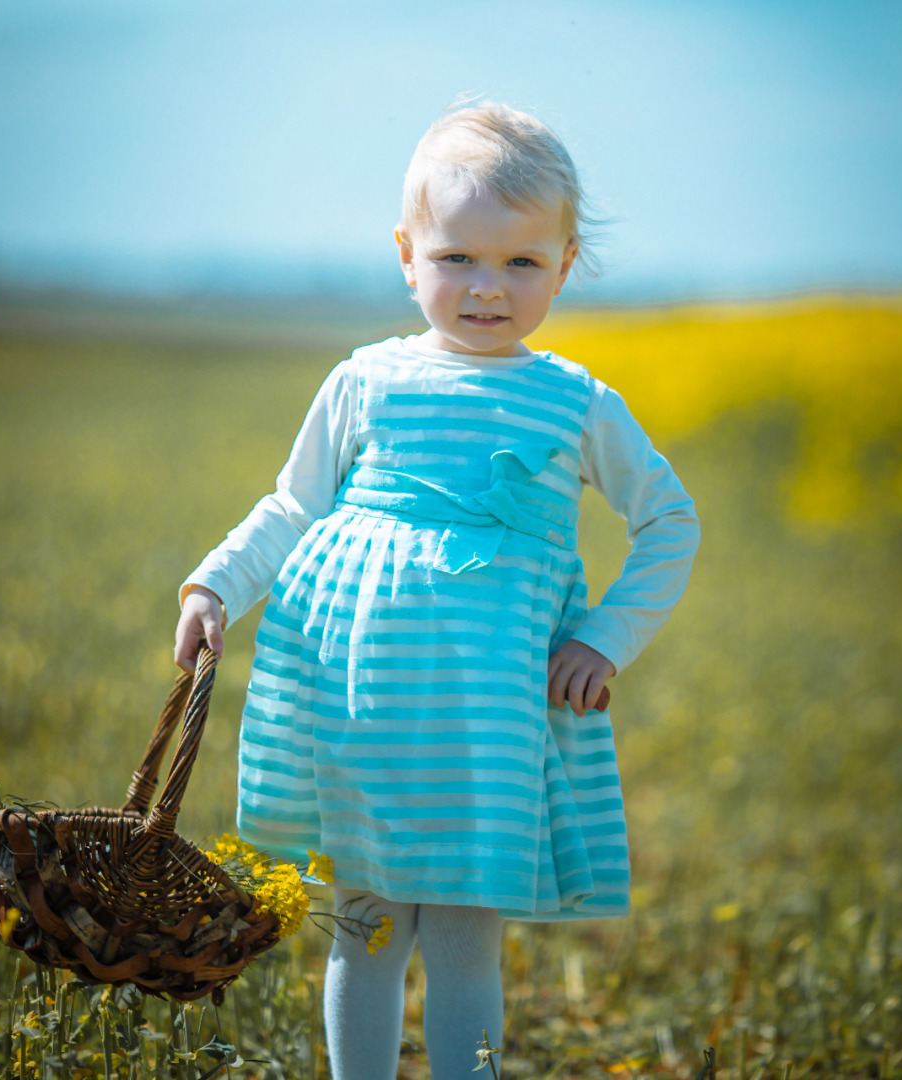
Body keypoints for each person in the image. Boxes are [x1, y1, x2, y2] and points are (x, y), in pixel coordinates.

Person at [173, 101, 699, 1080]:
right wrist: (215, 586)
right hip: (364, 707)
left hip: (486, 722)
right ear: (408, 253)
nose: (486, 289)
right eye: (457, 257)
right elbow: (291, 510)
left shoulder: (575, 400)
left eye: (521, 263)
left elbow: (671, 523)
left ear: (565, 264)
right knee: (365, 929)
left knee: (463, 940)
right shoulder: (365, 381)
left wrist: (605, 638)